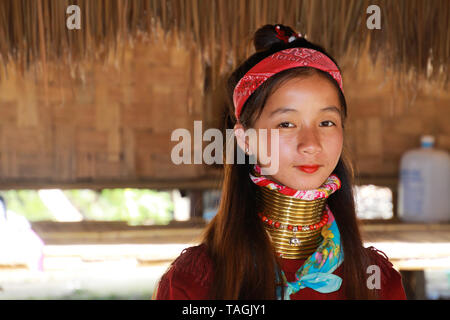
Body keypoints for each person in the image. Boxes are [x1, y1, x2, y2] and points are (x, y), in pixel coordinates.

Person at [153, 24, 406, 300]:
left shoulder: (377, 282)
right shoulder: (193, 283)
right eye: (286, 123)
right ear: (245, 139)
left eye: (326, 122)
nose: (311, 144)